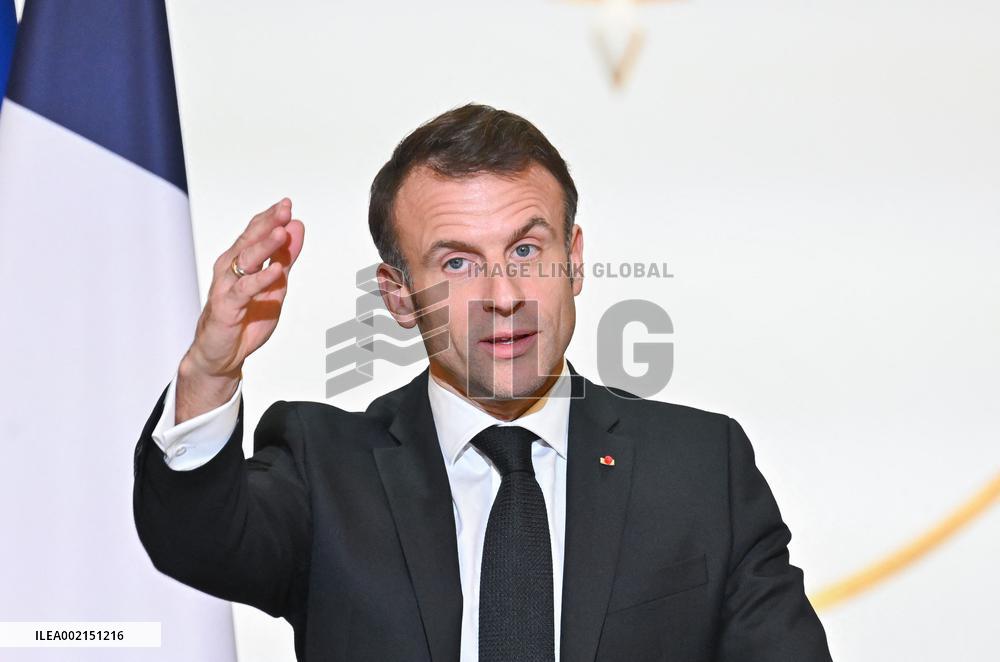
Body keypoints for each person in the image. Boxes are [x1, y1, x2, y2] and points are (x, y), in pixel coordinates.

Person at [133, 103, 834, 662]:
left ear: (575, 260)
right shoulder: (327, 467)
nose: (506, 293)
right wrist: (210, 372)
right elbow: (198, 542)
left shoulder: (700, 467)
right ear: (400, 297)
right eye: (459, 264)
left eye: (527, 250)